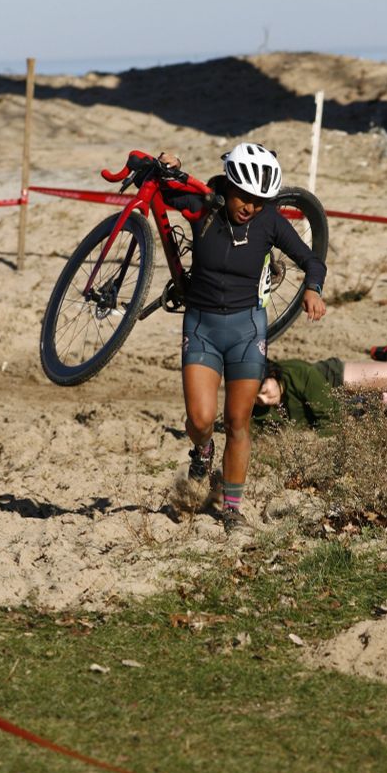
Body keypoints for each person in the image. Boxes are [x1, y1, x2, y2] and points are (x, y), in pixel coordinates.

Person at [158, 143, 327, 530]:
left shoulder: (269, 221)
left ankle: (231, 508)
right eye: (244, 197)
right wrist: (171, 164)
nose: (250, 206)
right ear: (228, 185)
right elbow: (168, 190)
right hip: (201, 326)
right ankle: (202, 453)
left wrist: (313, 288)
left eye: (259, 200)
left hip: (247, 329)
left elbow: (311, 259)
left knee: (238, 419)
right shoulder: (204, 206)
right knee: (200, 420)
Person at [252, 344, 387, 430]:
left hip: (334, 378)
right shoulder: (256, 408)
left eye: (265, 391)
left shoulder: (299, 373)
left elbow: (330, 419)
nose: (264, 400)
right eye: (258, 400)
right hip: (337, 404)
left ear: (272, 375)